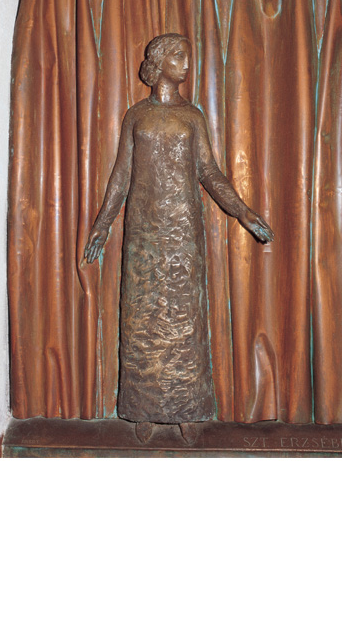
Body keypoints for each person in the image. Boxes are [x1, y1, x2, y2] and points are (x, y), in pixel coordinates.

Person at [84, 34, 273, 445]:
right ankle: (143, 408)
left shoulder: (192, 117)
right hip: (144, 235)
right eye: (178, 55)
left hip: (184, 233)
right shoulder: (136, 116)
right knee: (142, 324)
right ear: (158, 63)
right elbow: (121, 175)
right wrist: (103, 223)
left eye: (187, 56)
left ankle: (189, 408)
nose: (187, 63)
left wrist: (242, 211)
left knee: (186, 324)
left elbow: (210, 172)